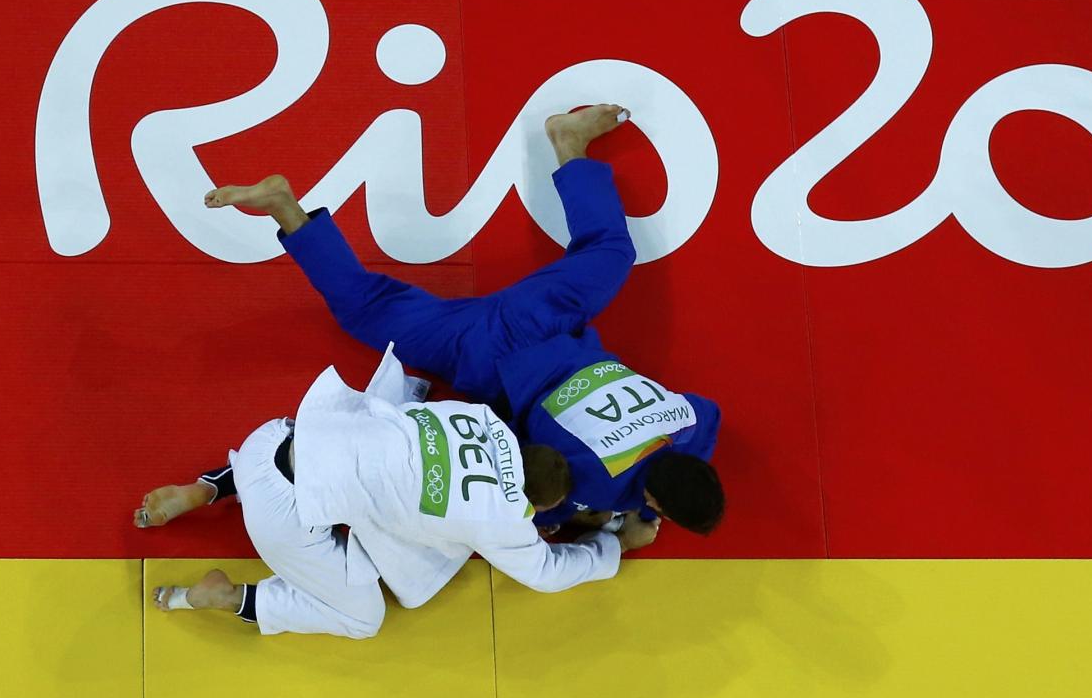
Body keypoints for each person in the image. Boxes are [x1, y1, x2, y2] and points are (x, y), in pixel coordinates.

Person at [202, 104, 725, 542]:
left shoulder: (698, 424)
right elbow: (538, 498)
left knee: (610, 249)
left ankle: (569, 142)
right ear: (655, 496)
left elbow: (695, 427)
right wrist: (634, 522)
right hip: (485, 352)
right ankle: (285, 208)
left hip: (547, 312)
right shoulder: (600, 484)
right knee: (365, 307)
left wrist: (649, 503)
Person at [137, 344, 656, 637]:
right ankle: (232, 598)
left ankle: (209, 488)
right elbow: (546, 572)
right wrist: (618, 545)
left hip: (275, 434)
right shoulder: (502, 520)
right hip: (279, 515)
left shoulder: (476, 416)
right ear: (538, 505)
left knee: (376, 440)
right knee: (364, 618)